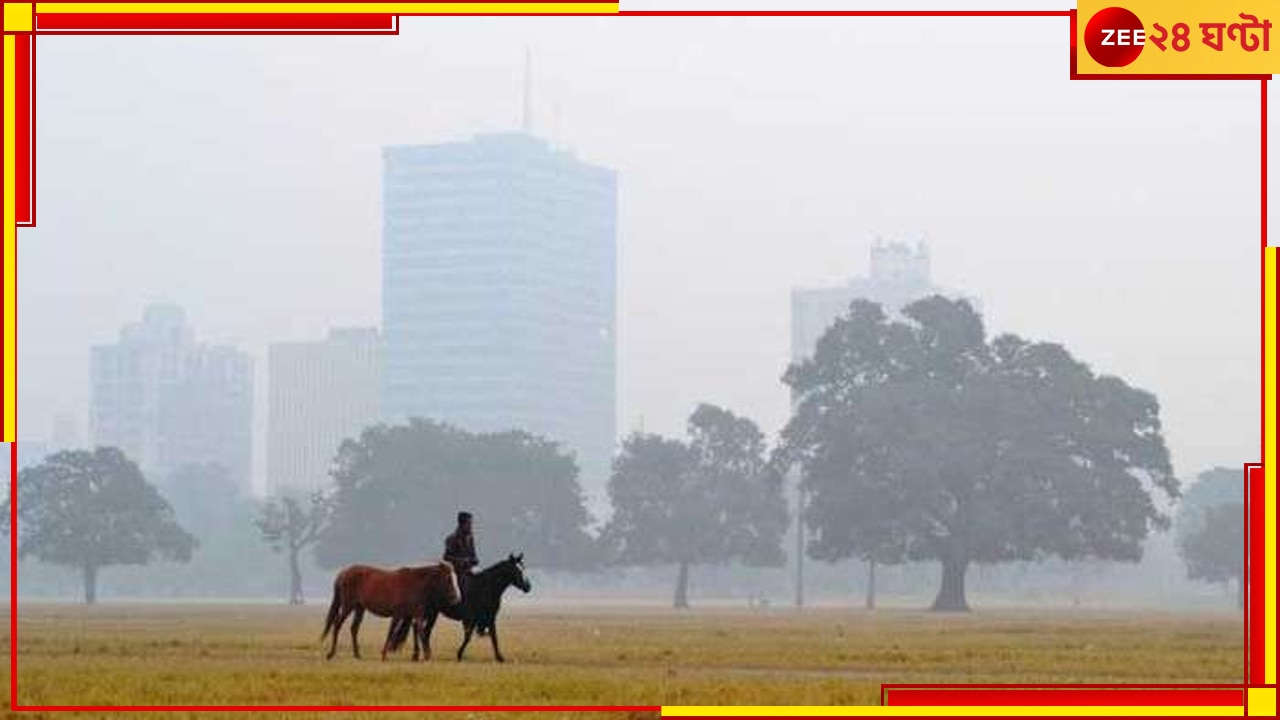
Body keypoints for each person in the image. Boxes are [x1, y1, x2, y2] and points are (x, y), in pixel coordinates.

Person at [443, 510, 484, 634]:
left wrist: (474, 560)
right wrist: (462, 561)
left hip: (469, 570)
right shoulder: (451, 539)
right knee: (465, 591)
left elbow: (474, 556)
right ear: (462, 524)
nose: (471, 526)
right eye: (469, 523)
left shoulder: (470, 538)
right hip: (457, 572)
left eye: (471, 523)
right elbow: (446, 557)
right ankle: (466, 619)